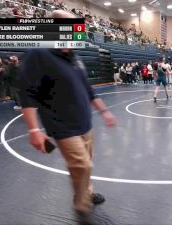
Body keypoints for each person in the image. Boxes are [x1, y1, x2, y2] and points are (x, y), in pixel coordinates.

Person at [17, 10, 116, 225]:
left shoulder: (73, 55)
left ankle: (87, 192)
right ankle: (82, 205)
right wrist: (34, 130)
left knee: (86, 163)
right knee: (82, 165)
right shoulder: (39, 54)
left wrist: (104, 111)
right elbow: (26, 93)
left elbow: (87, 89)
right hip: (61, 126)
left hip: (85, 123)